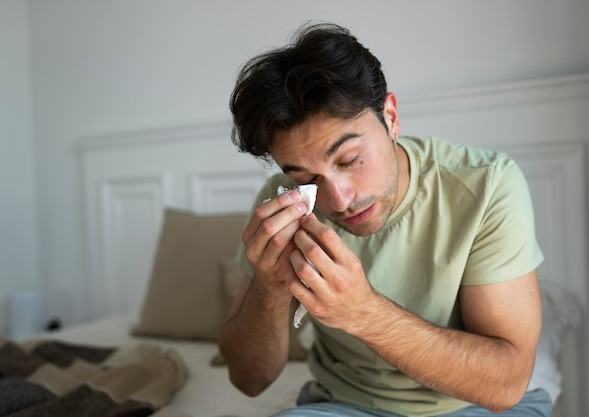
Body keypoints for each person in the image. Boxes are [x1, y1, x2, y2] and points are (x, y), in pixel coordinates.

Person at [218, 22, 550, 417]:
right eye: (305, 178)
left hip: (472, 406)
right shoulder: (284, 205)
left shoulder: (487, 185)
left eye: (350, 160)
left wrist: (362, 313)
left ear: (390, 117)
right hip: (343, 406)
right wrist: (270, 289)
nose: (339, 200)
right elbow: (248, 380)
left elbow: (506, 384)